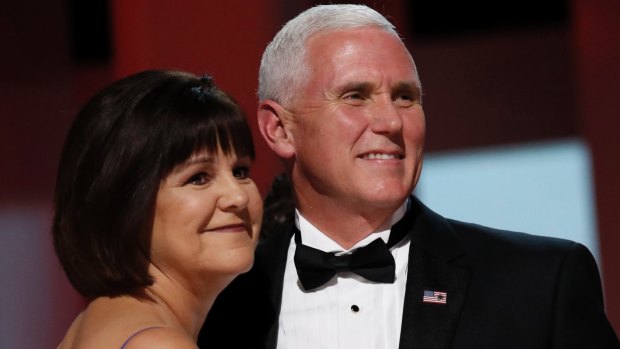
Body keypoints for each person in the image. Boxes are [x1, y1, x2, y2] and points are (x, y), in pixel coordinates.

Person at [199, 4, 619, 349]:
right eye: (355, 96)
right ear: (279, 128)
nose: (390, 122)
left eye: (405, 97)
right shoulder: (218, 306)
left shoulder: (540, 284)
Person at [53, 69, 262, 349]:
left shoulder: (95, 324)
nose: (237, 196)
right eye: (198, 177)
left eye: (240, 171)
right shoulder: (157, 343)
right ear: (123, 205)